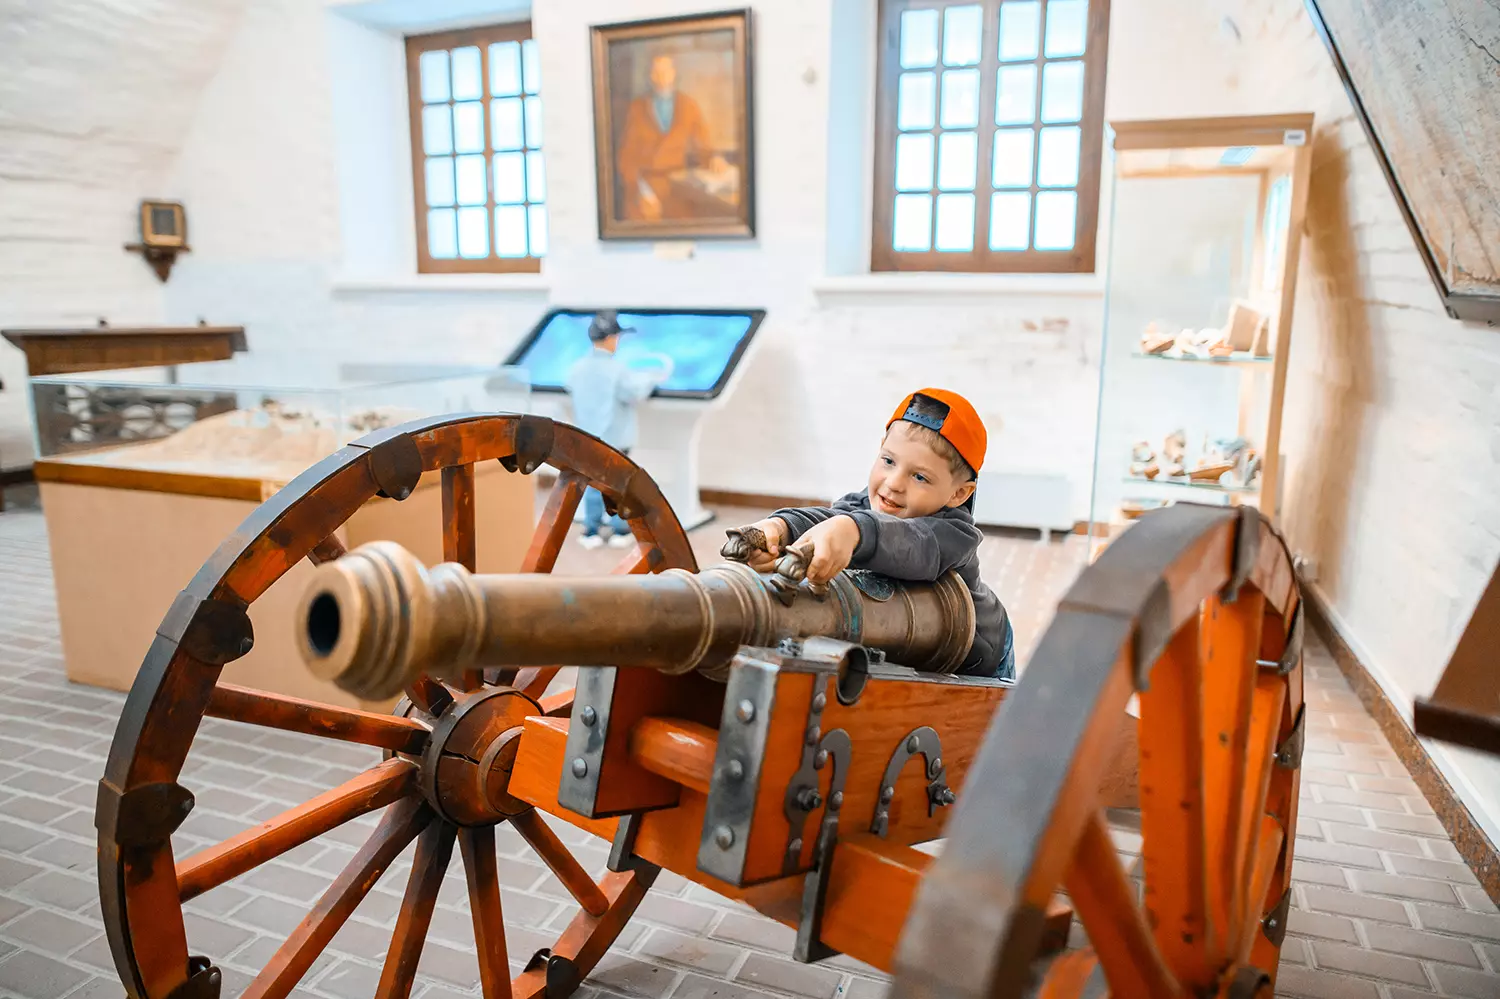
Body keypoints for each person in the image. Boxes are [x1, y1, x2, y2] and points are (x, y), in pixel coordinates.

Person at [737, 389, 1015, 679]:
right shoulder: (864, 505)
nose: (894, 483)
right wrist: (781, 528)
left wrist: (853, 531)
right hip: (910, 640)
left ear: (959, 493)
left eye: (919, 477)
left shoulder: (955, 534)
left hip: (976, 658)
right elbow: (831, 519)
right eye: (888, 461)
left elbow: (911, 544)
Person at [564, 311, 674, 549]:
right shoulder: (617, 370)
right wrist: (652, 379)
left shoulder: (577, 368)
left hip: (587, 437)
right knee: (619, 485)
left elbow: (570, 388)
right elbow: (633, 392)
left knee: (592, 482)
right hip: (614, 438)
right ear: (611, 338)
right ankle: (619, 530)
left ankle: (591, 531)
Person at [616, 53, 730, 221]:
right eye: (656, 72)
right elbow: (626, 158)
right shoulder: (637, 108)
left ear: (674, 73)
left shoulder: (688, 105)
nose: (661, 76)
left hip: (677, 187)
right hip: (643, 187)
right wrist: (643, 192)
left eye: (666, 71)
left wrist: (714, 158)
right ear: (650, 76)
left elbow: (703, 145)